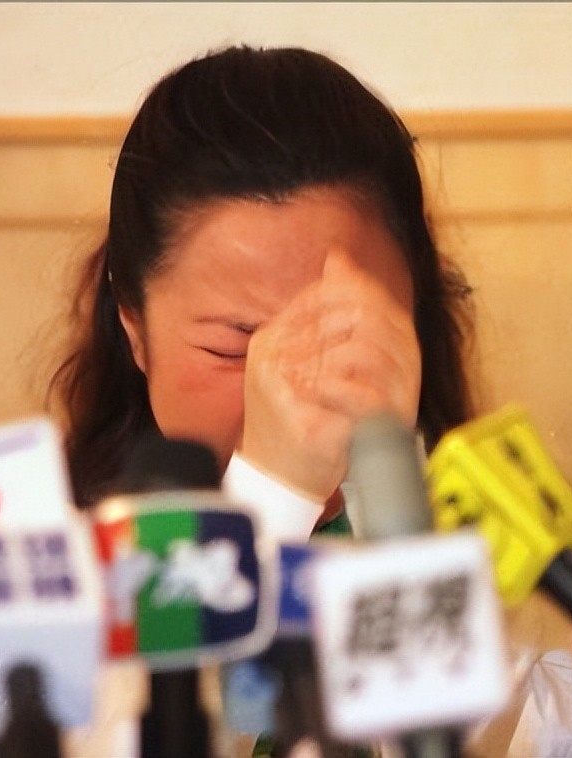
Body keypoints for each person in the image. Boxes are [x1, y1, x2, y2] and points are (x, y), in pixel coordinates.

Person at [51, 45, 473, 540]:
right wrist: (277, 490)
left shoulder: (503, 533)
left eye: (339, 331)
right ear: (136, 331)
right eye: (234, 347)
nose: (288, 387)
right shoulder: (60, 555)